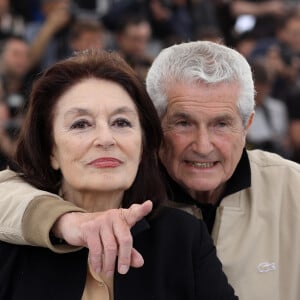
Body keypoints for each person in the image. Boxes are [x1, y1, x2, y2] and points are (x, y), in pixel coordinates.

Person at [1, 41, 300, 300]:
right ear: (155, 128)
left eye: (222, 124)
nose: (204, 145)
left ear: (247, 126)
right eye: (183, 122)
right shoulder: (20, 230)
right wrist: (62, 221)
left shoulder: (182, 234)